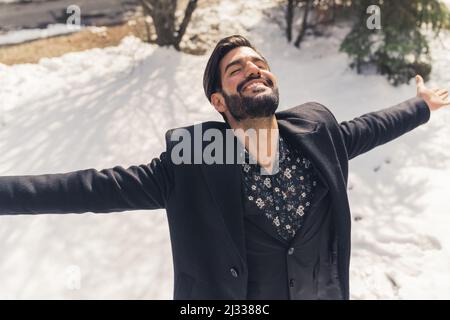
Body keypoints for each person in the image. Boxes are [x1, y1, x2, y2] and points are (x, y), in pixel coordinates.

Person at [0, 35, 448, 300]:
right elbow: (92, 189)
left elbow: (367, 129)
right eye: (237, 69)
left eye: (260, 63)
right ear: (219, 100)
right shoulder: (193, 160)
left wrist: (420, 107)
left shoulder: (317, 131)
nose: (253, 69)